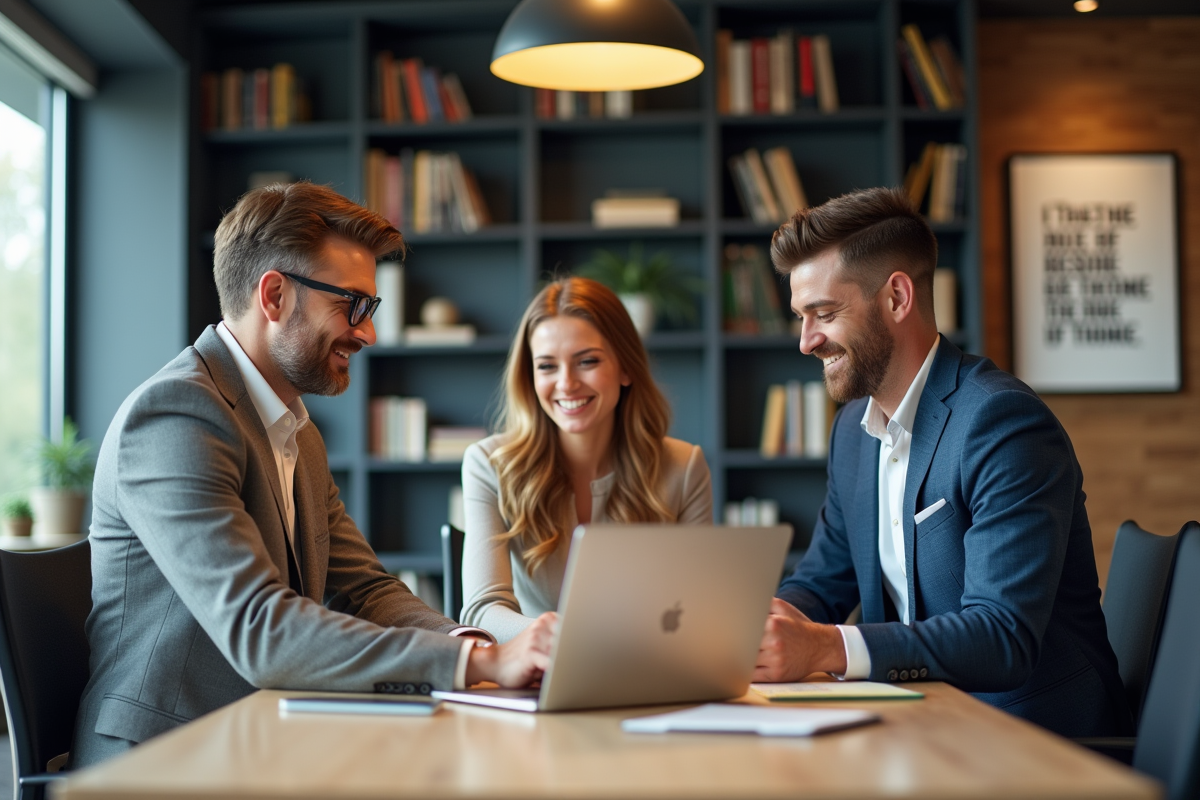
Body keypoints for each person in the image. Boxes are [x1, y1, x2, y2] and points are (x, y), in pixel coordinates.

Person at [72, 182, 553, 767]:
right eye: (352, 304)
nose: (367, 332)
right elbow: (260, 627)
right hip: (163, 758)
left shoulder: (295, 430)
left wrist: (469, 644)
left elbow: (365, 590)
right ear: (274, 295)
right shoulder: (176, 417)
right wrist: (477, 666)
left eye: (369, 309)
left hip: (260, 736)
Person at [754, 187, 1130, 738]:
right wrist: (759, 627)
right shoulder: (853, 435)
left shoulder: (1003, 423)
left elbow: (1003, 635)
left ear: (897, 298)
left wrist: (828, 645)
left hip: (1034, 738)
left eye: (824, 314)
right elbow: (822, 582)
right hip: (918, 725)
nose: (807, 341)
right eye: (801, 317)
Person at [460, 277, 713, 642]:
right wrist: (571, 641)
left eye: (587, 361)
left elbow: (698, 606)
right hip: (535, 675)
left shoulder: (685, 466)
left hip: (645, 671)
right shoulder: (488, 463)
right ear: (530, 377)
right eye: (547, 366)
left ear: (626, 367)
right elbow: (482, 610)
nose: (566, 384)